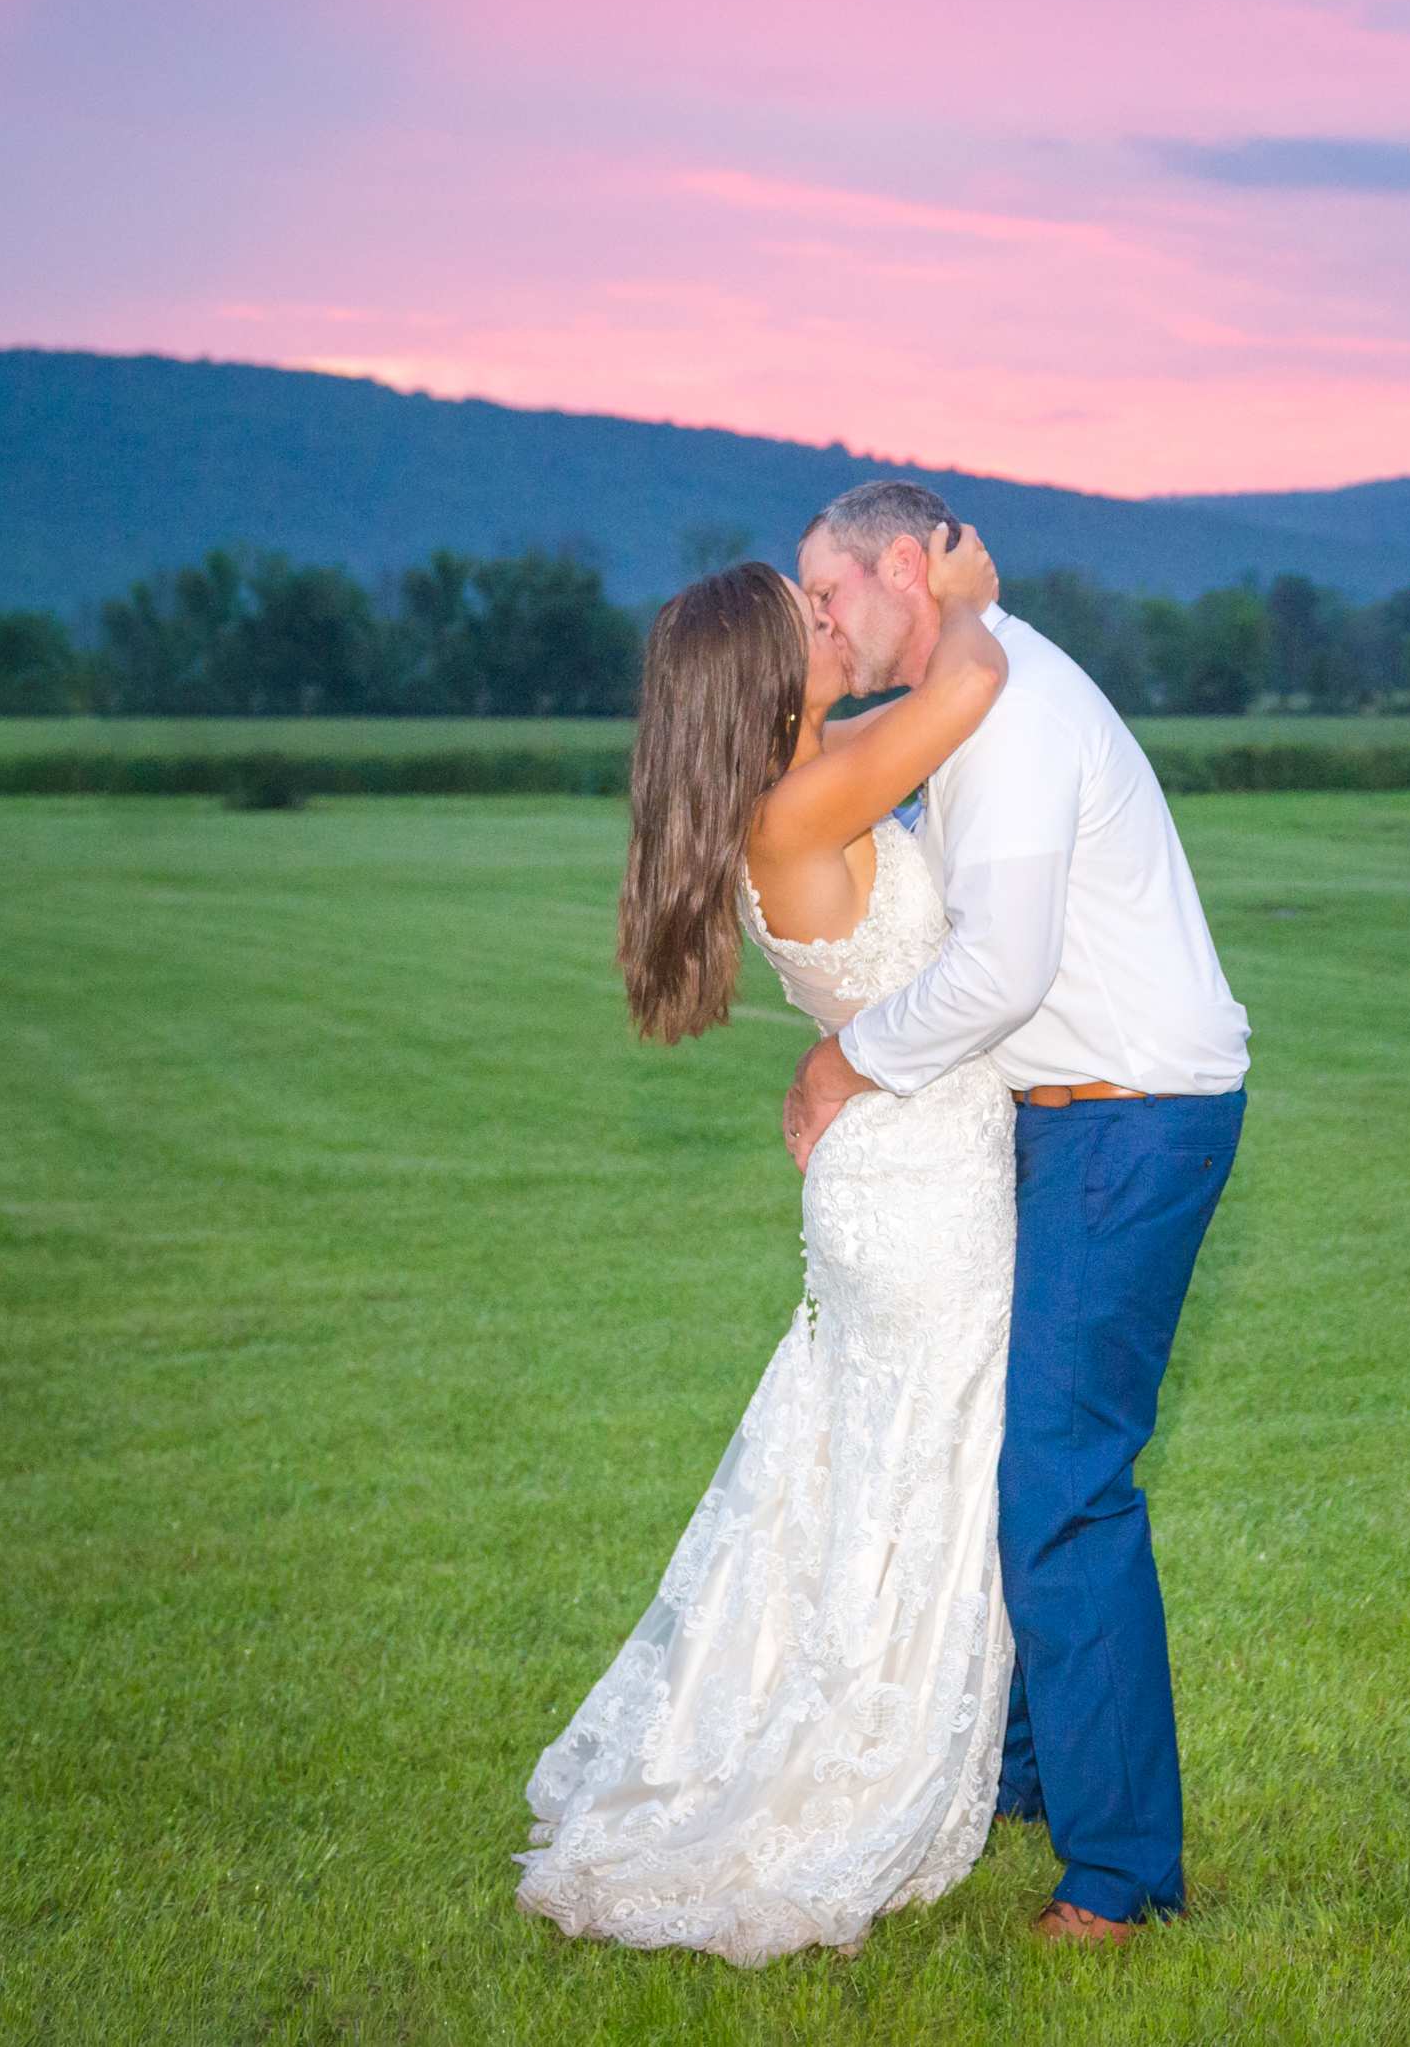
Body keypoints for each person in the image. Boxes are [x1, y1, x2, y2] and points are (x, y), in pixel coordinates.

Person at [514, 525, 1020, 1968]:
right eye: (809, 613)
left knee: (871, 1472)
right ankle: (846, 1773)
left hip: (896, 1170)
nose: (830, 619)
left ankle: (873, 1730)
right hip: (918, 1189)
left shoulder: (802, 781)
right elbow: (968, 685)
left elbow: (900, 719)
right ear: (767, 676)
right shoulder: (800, 806)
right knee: (913, 1478)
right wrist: (961, 592)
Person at [783, 479, 1251, 1943]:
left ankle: (1121, 1876)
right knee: (1014, 1456)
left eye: (828, 592)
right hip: (1061, 1119)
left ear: (902, 566)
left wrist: (847, 1059)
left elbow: (1001, 971)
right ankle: (1026, 1776)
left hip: (1130, 1116)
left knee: (1063, 1479)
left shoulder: (1020, 712)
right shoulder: (971, 695)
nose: (820, 620)